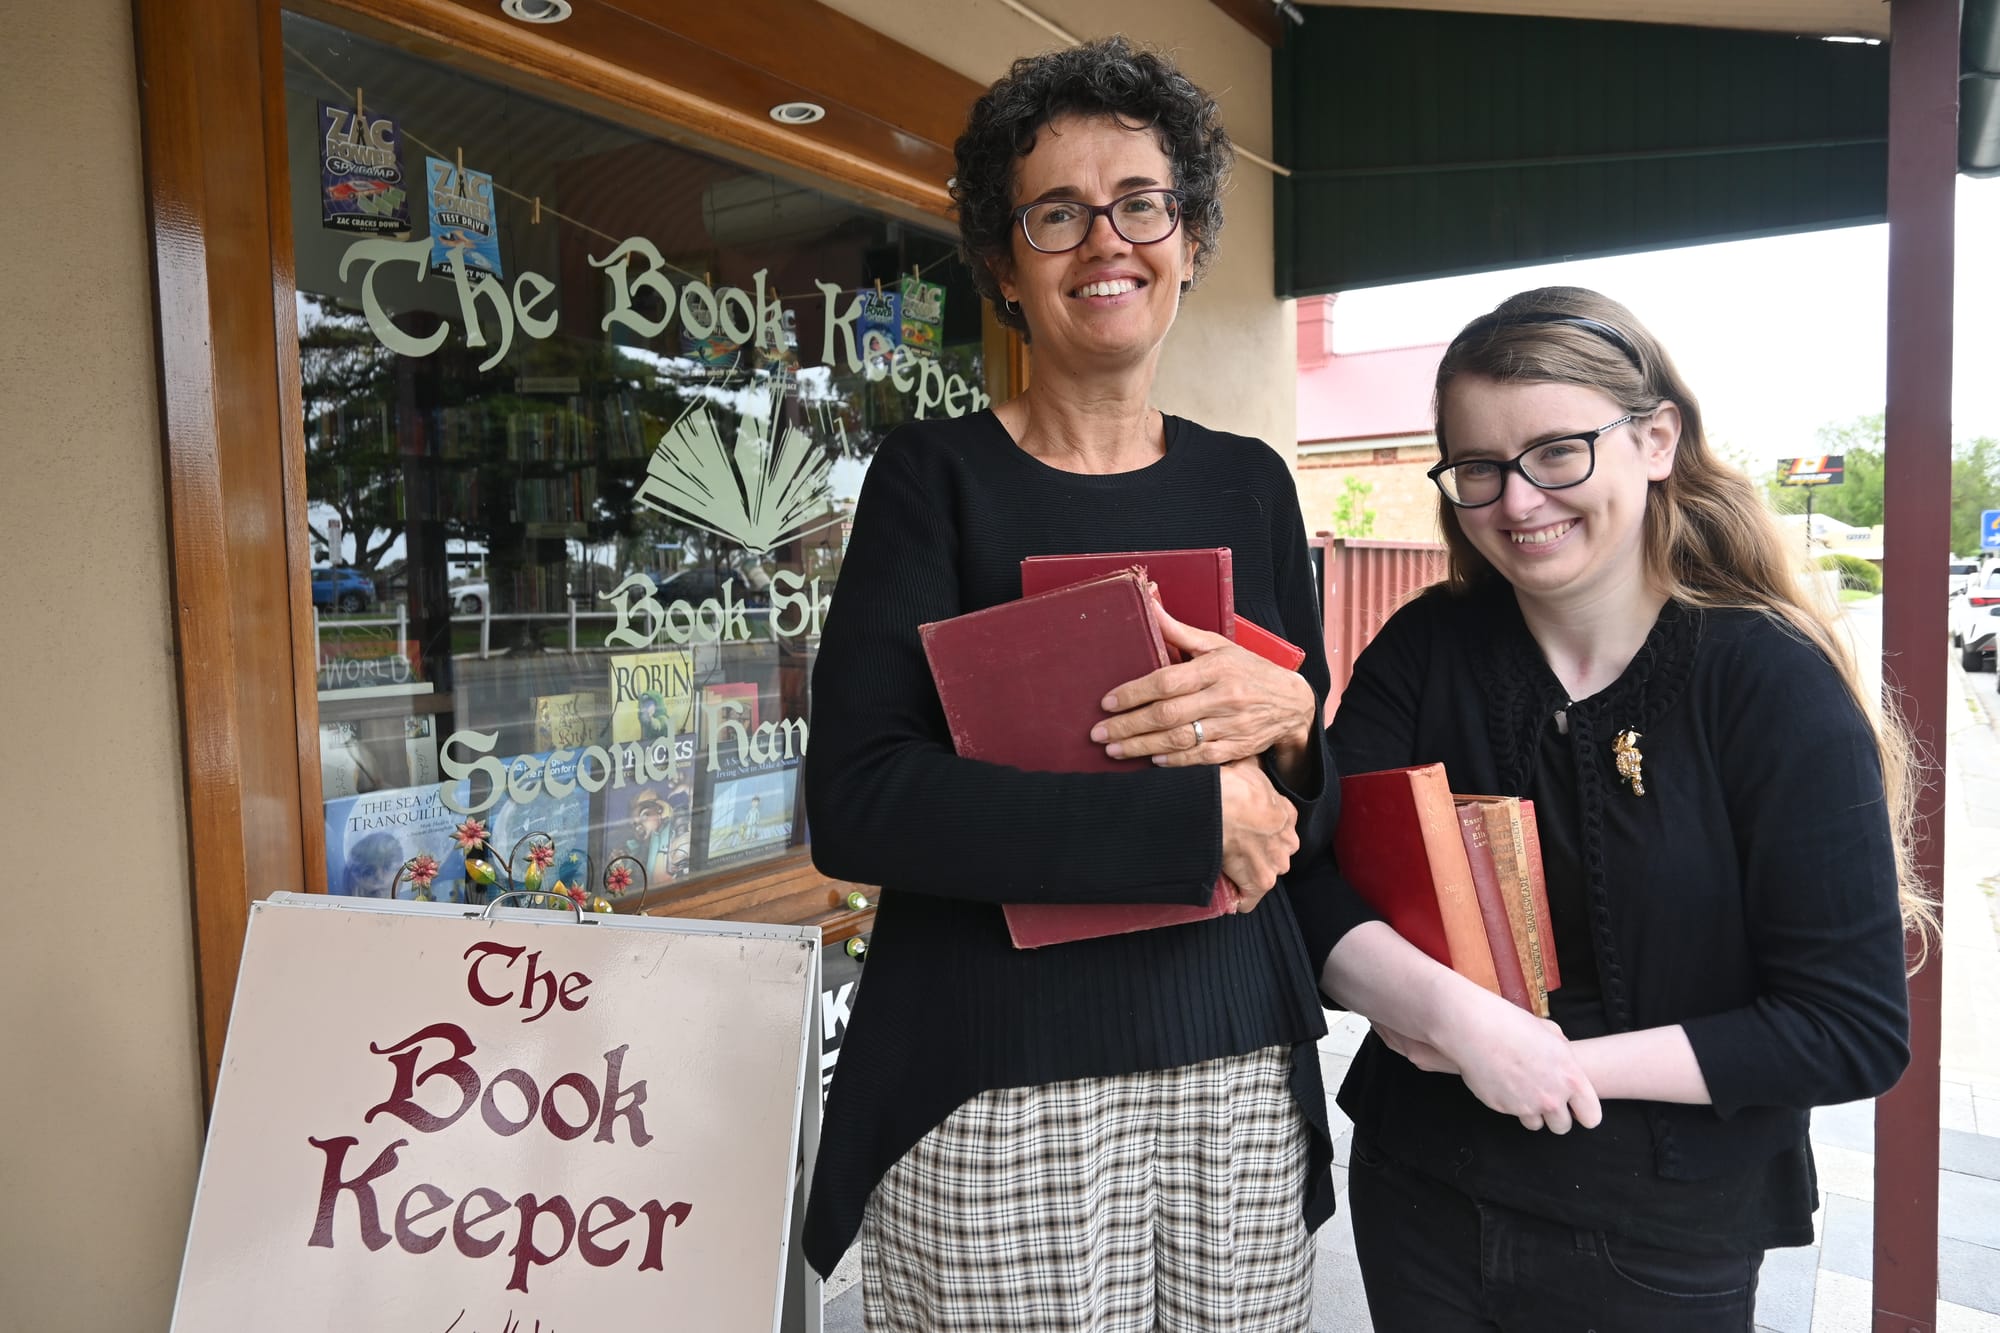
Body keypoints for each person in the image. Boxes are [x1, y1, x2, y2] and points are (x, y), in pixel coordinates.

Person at [802, 37, 1340, 1331]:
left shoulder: (1251, 480)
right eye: (1056, 213)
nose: (1107, 240)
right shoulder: (935, 481)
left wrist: (1302, 730)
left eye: (1140, 202)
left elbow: (1300, 798)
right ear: (1003, 261)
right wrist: (1185, 822)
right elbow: (863, 802)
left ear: (1191, 235)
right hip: (998, 1074)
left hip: (1238, 1065)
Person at [1309, 286, 1926, 1331]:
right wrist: (1457, 1018)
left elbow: (1845, 1028)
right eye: (1478, 471)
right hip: (1421, 1192)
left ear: (1654, 439)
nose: (1515, 502)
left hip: (1663, 1233)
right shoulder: (1426, 650)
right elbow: (1296, 873)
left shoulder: (1767, 686)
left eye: (1556, 453)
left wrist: (1541, 1063)